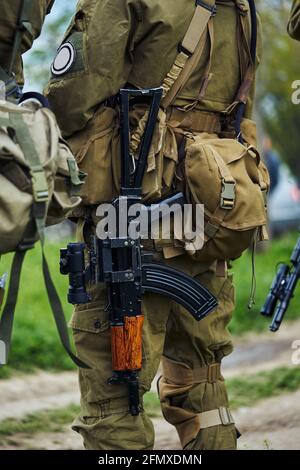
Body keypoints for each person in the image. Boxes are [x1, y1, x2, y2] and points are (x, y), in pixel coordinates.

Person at [44, 0, 262, 451]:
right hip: (207, 217)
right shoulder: (243, 6)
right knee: (203, 392)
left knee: (115, 403)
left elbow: (70, 99)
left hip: (129, 215)